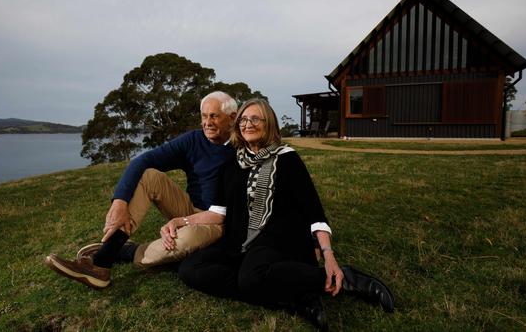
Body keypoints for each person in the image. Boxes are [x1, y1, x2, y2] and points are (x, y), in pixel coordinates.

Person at [167, 99, 394, 331]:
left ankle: (346, 278)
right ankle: (294, 298)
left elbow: (314, 213)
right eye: (244, 120)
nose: (248, 124)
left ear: (269, 124)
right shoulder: (231, 163)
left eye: (255, 119)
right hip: (238, 242)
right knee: (191, 269)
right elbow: (218, 213)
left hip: (280, 240)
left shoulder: (287, 159)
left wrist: (328, 255)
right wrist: (181, 221)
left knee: (249, 277)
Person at [44, 91, 238, 289]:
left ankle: (127, 251)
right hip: (190, 208)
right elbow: (143, 161)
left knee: (185, 240)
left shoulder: (244, 147)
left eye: (214, 116)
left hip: (220, 222)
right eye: (204, 116)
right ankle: (101, 264)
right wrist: (120, 201)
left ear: (232, 118)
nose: (207, 122)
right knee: (149, 176)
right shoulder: (194, 140)